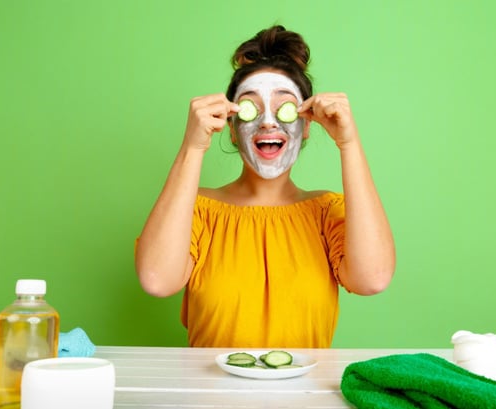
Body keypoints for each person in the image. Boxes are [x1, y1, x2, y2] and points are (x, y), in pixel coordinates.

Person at [135, 25, 395, 348]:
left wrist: (349, 143)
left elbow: (373, 278)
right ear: (232, 129)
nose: (268, 122)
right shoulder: (197, 211)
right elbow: (157, 280)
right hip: (210, 384)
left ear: (307, 125)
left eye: (284, 107)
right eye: (251, 108)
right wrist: (192, 146)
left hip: (307, 384)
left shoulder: (327, 214)